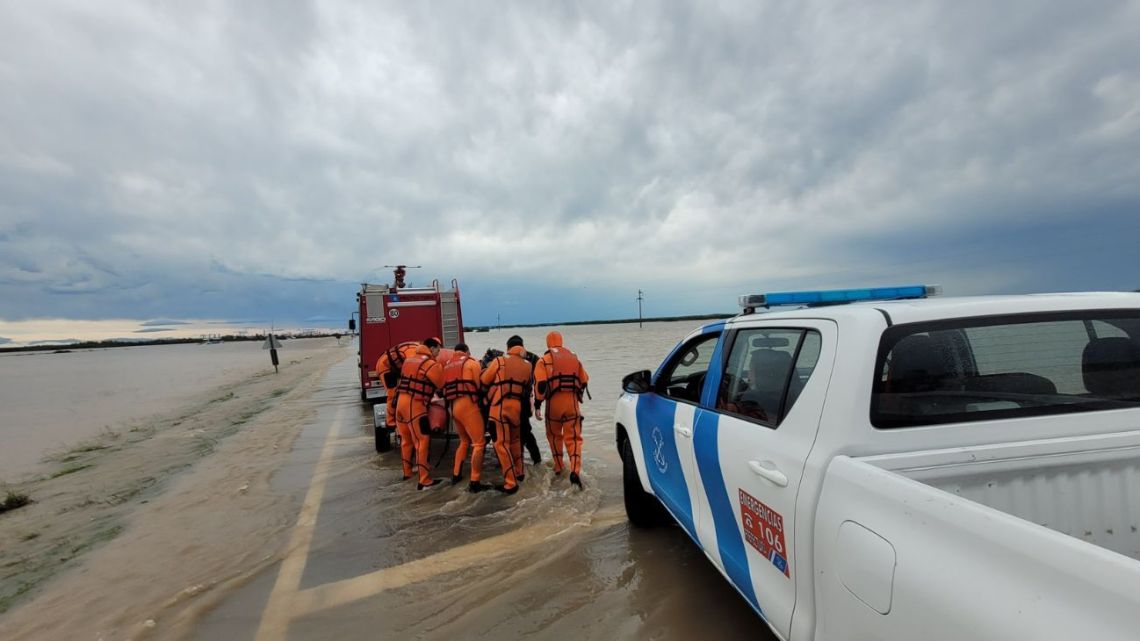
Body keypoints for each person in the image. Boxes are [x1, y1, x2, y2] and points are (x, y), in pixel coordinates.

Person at [534, 331, 589, 489]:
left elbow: (541, 385)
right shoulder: (574, 358)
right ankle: (575, 471)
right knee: (574, 440)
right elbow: (584, 380)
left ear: (547, 343)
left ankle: (559, 467)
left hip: (553, 406)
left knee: (554, 436)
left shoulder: (543, 360)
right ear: (561, 341)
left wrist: (537, 406)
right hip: (572, 405)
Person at [480, 339, 533, 494]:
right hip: (516, 408)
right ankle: (520, 472)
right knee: (516, 442)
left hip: (500, 407)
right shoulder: (528, 365)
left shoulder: (499, 361)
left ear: (508, 348)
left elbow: (484, 380)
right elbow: (528, 387)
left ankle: (510, 483)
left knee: (501, 445)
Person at [394, 338, 444, 489]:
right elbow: (441, 384)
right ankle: (424, 480)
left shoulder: (409, 360)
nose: (439, 353)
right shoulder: (429, 364)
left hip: (400, 404)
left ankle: (407, 472)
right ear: (432, 348)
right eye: (438, 350)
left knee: (406, 440)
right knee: (422, 441)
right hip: (414, 405)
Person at [442, 343, 489, 493]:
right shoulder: (471, 363)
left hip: (453, 407)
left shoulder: (447, 365)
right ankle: (475, 482)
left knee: (464, 441)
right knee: (479, 443)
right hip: (468, 406)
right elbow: (480, 384)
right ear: (467, 351)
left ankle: (456, 475)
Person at [375, 341, 419, 477]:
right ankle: (390, 421)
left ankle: (408, 473)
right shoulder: (413, 353)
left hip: (394, 367)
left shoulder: (417, 351)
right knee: (392, 392)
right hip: (384, 366)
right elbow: (414, 372)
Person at [506, 335, 543, 471]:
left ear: (510, 348)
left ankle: (518, 461)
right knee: (525, 431)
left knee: (515, 433)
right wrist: (538, 406)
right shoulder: (534, 359)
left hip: (510, 402)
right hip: (527, 400)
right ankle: (536, 459)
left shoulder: (506, 360)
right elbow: (541, 382)